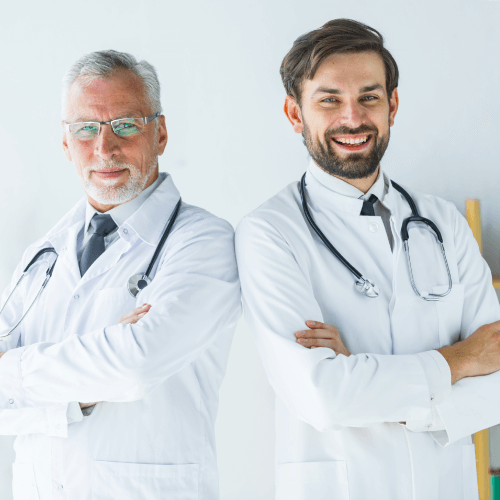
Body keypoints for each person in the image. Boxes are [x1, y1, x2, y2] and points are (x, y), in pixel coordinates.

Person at [235, 19, 500, 500]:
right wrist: (461, 360)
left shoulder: (444, 222)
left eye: (370, 97)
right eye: (329, 99)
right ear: (296, 114)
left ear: (392, 105)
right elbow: (323, 395)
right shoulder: (269, 232)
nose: (352, 118)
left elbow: (498, 373)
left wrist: (373, 383)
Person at [0, 50, 241, 500]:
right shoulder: (43, 254)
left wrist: (14, 377)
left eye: (126, 125)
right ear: (65, 141)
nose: (104, 148)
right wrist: (80, 395)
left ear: (161, 133)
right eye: (86, 128)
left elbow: (136, 364)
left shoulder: (205, 242)